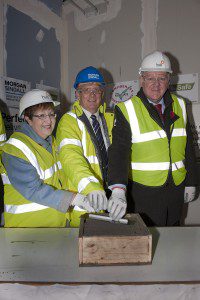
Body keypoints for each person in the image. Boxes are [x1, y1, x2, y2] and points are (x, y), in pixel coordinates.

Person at [107, 51, 198, 226]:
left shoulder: (179, 105)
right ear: (141, 80)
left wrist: (192, 182)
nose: (156, 84)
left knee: (174, 238)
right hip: (143, 194)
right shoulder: (126, 109)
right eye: (150, 78)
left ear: (169, 79)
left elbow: (188, 147)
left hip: (175, 190)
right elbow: (119, 152)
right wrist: (118, 188)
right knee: (146, 241)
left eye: (162, 78)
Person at [0, 89, 95, 227]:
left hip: (56, 227)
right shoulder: (15, 148)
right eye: (41, 116)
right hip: (25, 232)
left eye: (51, 114)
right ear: (27, 118)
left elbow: (62, 179)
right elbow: (33, 189)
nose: (48, 120)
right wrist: (74, 199)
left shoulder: (53, 142)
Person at [56, 66, 114, 227]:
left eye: (96, 90)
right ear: (77, 94)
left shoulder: (109, 119)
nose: (92, 94)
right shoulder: (69, 121)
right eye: (86, 90)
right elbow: (71, 157)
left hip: (110, 198)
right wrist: (92, 188)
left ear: (102, 94)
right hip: (85, 199)